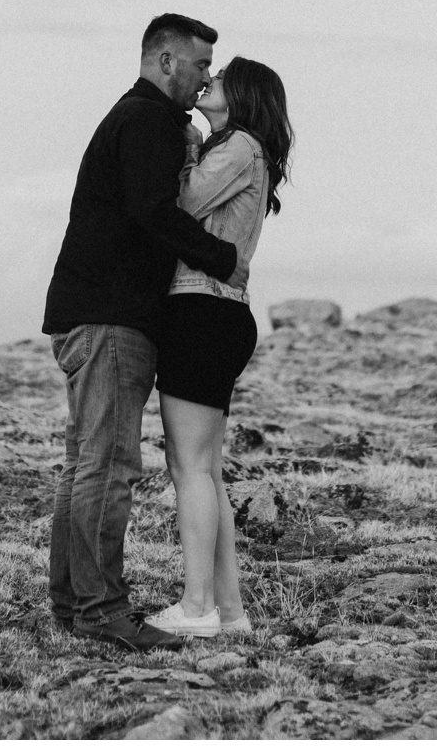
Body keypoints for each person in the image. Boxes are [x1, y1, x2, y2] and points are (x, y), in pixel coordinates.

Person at [43, 13, 241, 652]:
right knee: (108, 465)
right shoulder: (151, 121)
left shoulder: (132, 118)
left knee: (85, 464)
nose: (205, 76)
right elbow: (152, 211)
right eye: (200, 65)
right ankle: (101, 611)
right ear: (165, 62)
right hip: (112, 317)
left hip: (88, 310)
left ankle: (76, 604)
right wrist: (220, 257)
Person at [143, 57, 292, 639]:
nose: (208, 82)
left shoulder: (236, 148)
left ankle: (196, 607)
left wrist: (183, 143)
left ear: (245, 95)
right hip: (221, 313)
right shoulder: (245, 149)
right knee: (205, 470)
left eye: (221, 77)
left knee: (190, 468)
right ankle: (229, 612)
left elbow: (177, 205)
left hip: (201, 309)